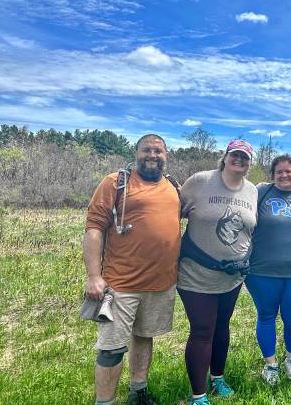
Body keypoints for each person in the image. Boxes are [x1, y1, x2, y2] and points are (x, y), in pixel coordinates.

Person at [83, 134, 181, 405]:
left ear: (166, 155)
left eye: (158, 151)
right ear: (135, 153)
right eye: (147, 150)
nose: (153, 155)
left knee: (144, 336)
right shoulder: (116, 183)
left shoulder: (173, 186)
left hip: (161, 283)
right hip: (121, 284)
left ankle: (139, 391)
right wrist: (94, 276)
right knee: (111, 348)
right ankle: (105, 401)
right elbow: (93, 229)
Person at [178, 139, 257, 405]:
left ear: (250, 163)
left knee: (222, 327)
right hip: (196, 275)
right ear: (224, 157)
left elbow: (251, 229)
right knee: (202, 329)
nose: (239, 160)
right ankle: (198, 395)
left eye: (245, 157)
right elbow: (170, 212)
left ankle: (218, 378)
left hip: (232, 277)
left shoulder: (252, 191)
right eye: (235, 155)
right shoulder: (200, 182)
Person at [245, 154, 291, 385]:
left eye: (289, 171)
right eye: (279, 172)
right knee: (266, 315)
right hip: (262, 270)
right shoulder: (261, 193)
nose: (284, 175)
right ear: (272, 175)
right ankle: (271, 365)